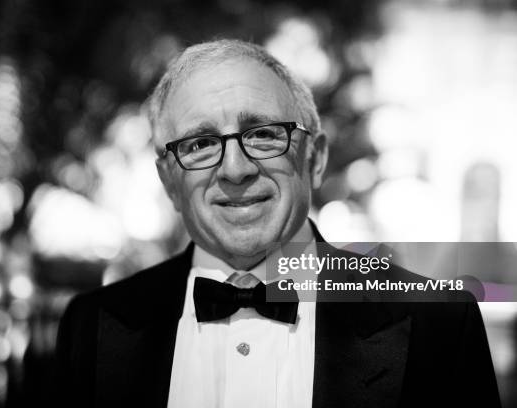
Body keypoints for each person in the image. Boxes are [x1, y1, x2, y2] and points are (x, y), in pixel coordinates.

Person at [53, 39, 501, 407]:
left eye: (263, 134)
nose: (234, 169)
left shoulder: (438, 323)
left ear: (315, 159)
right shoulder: (92, 326)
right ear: (169, 180)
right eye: (200, 144)